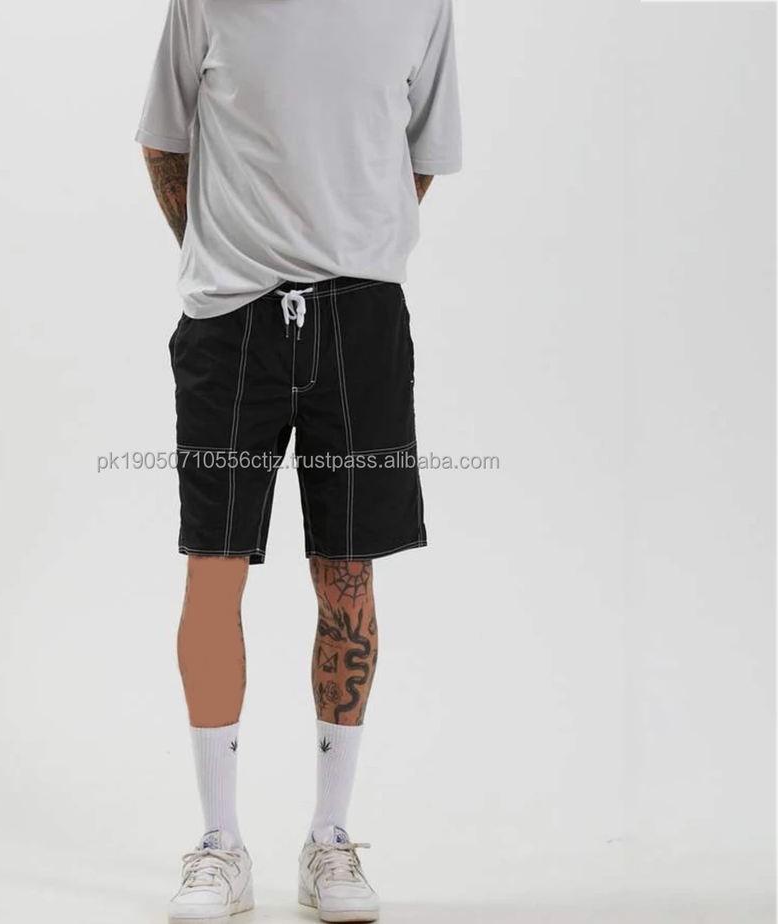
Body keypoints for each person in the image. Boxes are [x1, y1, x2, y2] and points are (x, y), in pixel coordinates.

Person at [136, 0, 461, 920]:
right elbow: (165, 141)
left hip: (361, 320)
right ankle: (219, 843)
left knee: (348, 576)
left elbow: (418, 158)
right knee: (213, 571)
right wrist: (222, 253)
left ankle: (329, 839)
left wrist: (346, 245)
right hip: (229, 319)